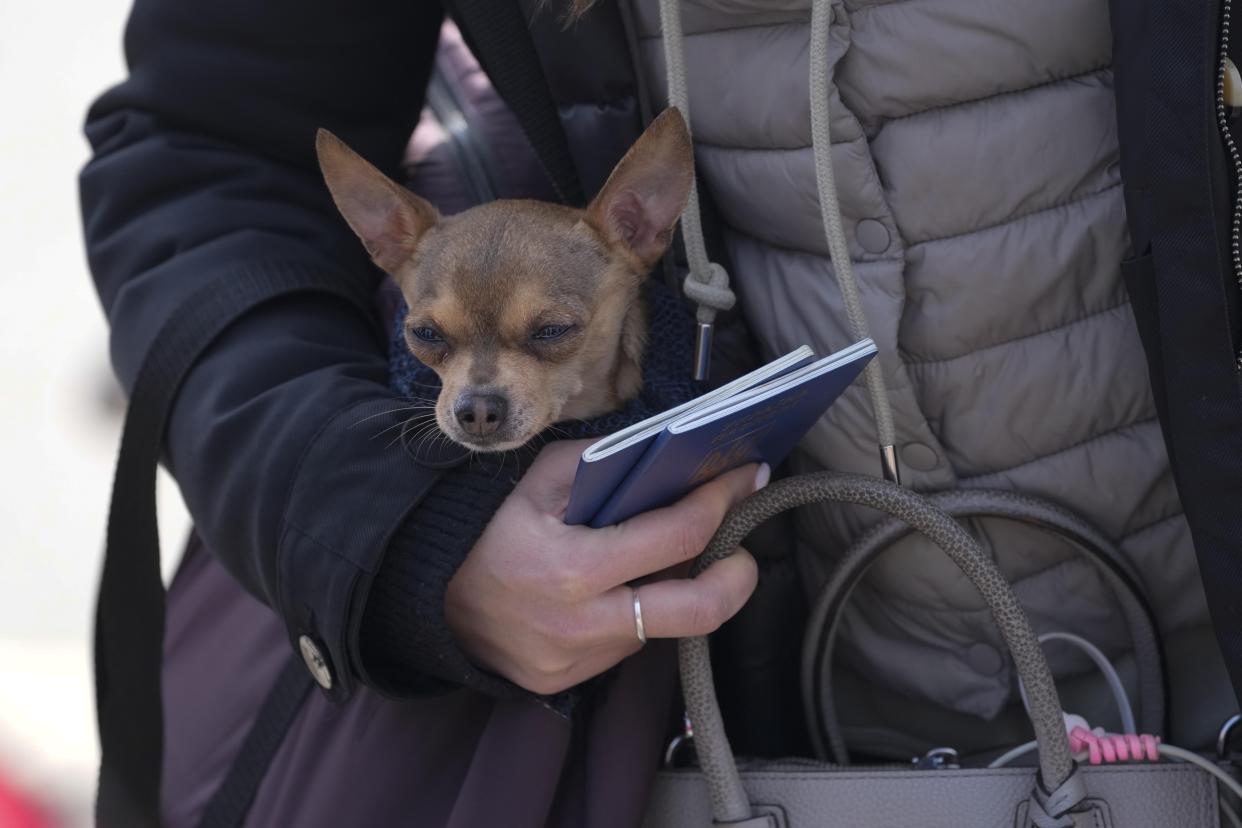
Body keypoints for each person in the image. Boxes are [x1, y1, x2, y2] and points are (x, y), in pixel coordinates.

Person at [80, 0, 1242, 825]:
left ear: (641, 230)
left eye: (543, 337)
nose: (473, 396)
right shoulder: (494, 272)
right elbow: (215, 149)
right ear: (388, 254)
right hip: (771, 711)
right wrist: (406, 535)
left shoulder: (618, 236)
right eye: (431, 344)